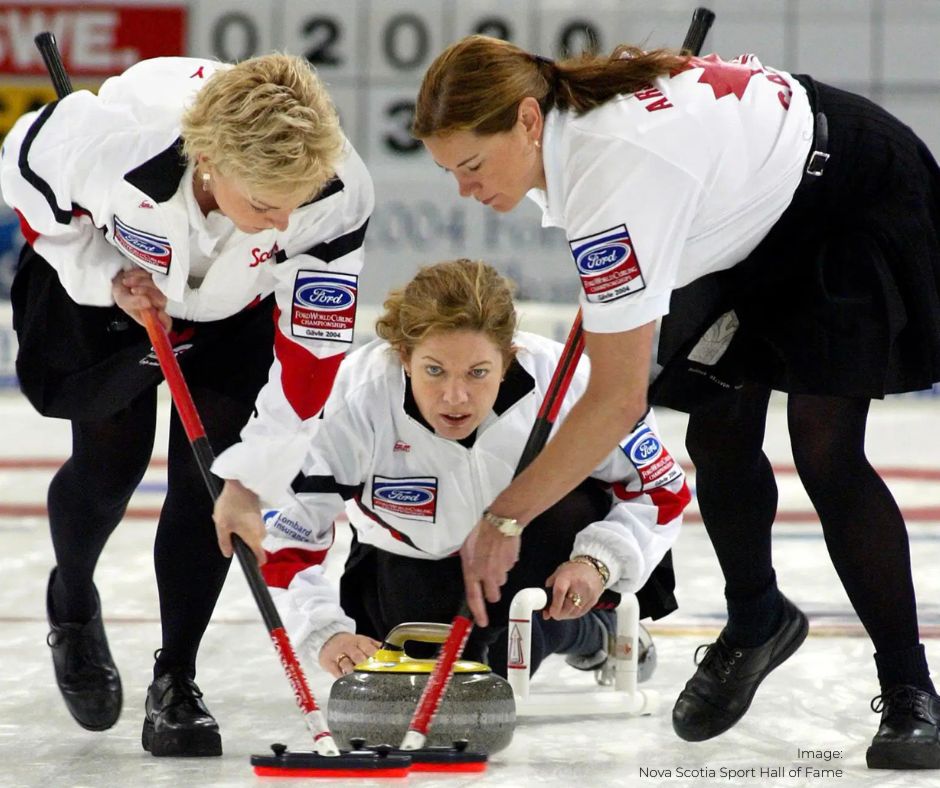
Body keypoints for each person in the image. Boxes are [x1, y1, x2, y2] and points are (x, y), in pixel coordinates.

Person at [411, 35, 940, 770]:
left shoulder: (610, 173)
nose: (464, 190)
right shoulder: (574, 137)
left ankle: (913, 692)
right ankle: (758, 620)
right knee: (718, 430)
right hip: (740, 223)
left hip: (847, 197)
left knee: (825, 449)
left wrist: (507, 516)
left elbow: (617, 401)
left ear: (528, 120)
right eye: (448, 172)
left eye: (471, 165)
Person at [0, 53, 373, 757]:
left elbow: (314, 353)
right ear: (208, 159)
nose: (285, 221)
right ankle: (73, 604)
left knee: (210, 486)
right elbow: (20, 175)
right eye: (266, 204)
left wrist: (251, 477)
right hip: (121, 291)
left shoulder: (334, 191)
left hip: (239, 309)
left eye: (296, 201)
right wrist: (104, 273)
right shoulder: (105, 142)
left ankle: (176, 679)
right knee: (110, 469)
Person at [214, 258, 688, 680]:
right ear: (404, 356)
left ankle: (591, 631)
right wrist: (323, 634)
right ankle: (560, 634)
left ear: (508, 358)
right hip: (414, 558)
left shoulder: (565, 381)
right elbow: (285, 534)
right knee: (454, 673)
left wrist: (598, 562)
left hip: (546, 545)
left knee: (507, 655)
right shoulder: (353, 402)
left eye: (478, 372)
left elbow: (662, 490)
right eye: (435, 371)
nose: (455, 396)